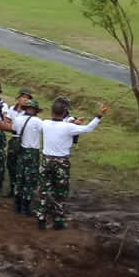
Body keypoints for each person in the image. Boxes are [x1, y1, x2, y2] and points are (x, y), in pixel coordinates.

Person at [34, 97, 109, 230]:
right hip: (61, 162)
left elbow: (51, 127)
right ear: (64, 112)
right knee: (60, 192)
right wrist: (99, 115)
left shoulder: (44, 123)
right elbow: (88, 128)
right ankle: (58, 220)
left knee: (44, 190)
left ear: (52, 111)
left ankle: (41, 218)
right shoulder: (69, 127)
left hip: (46, 160)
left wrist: (71, 122)